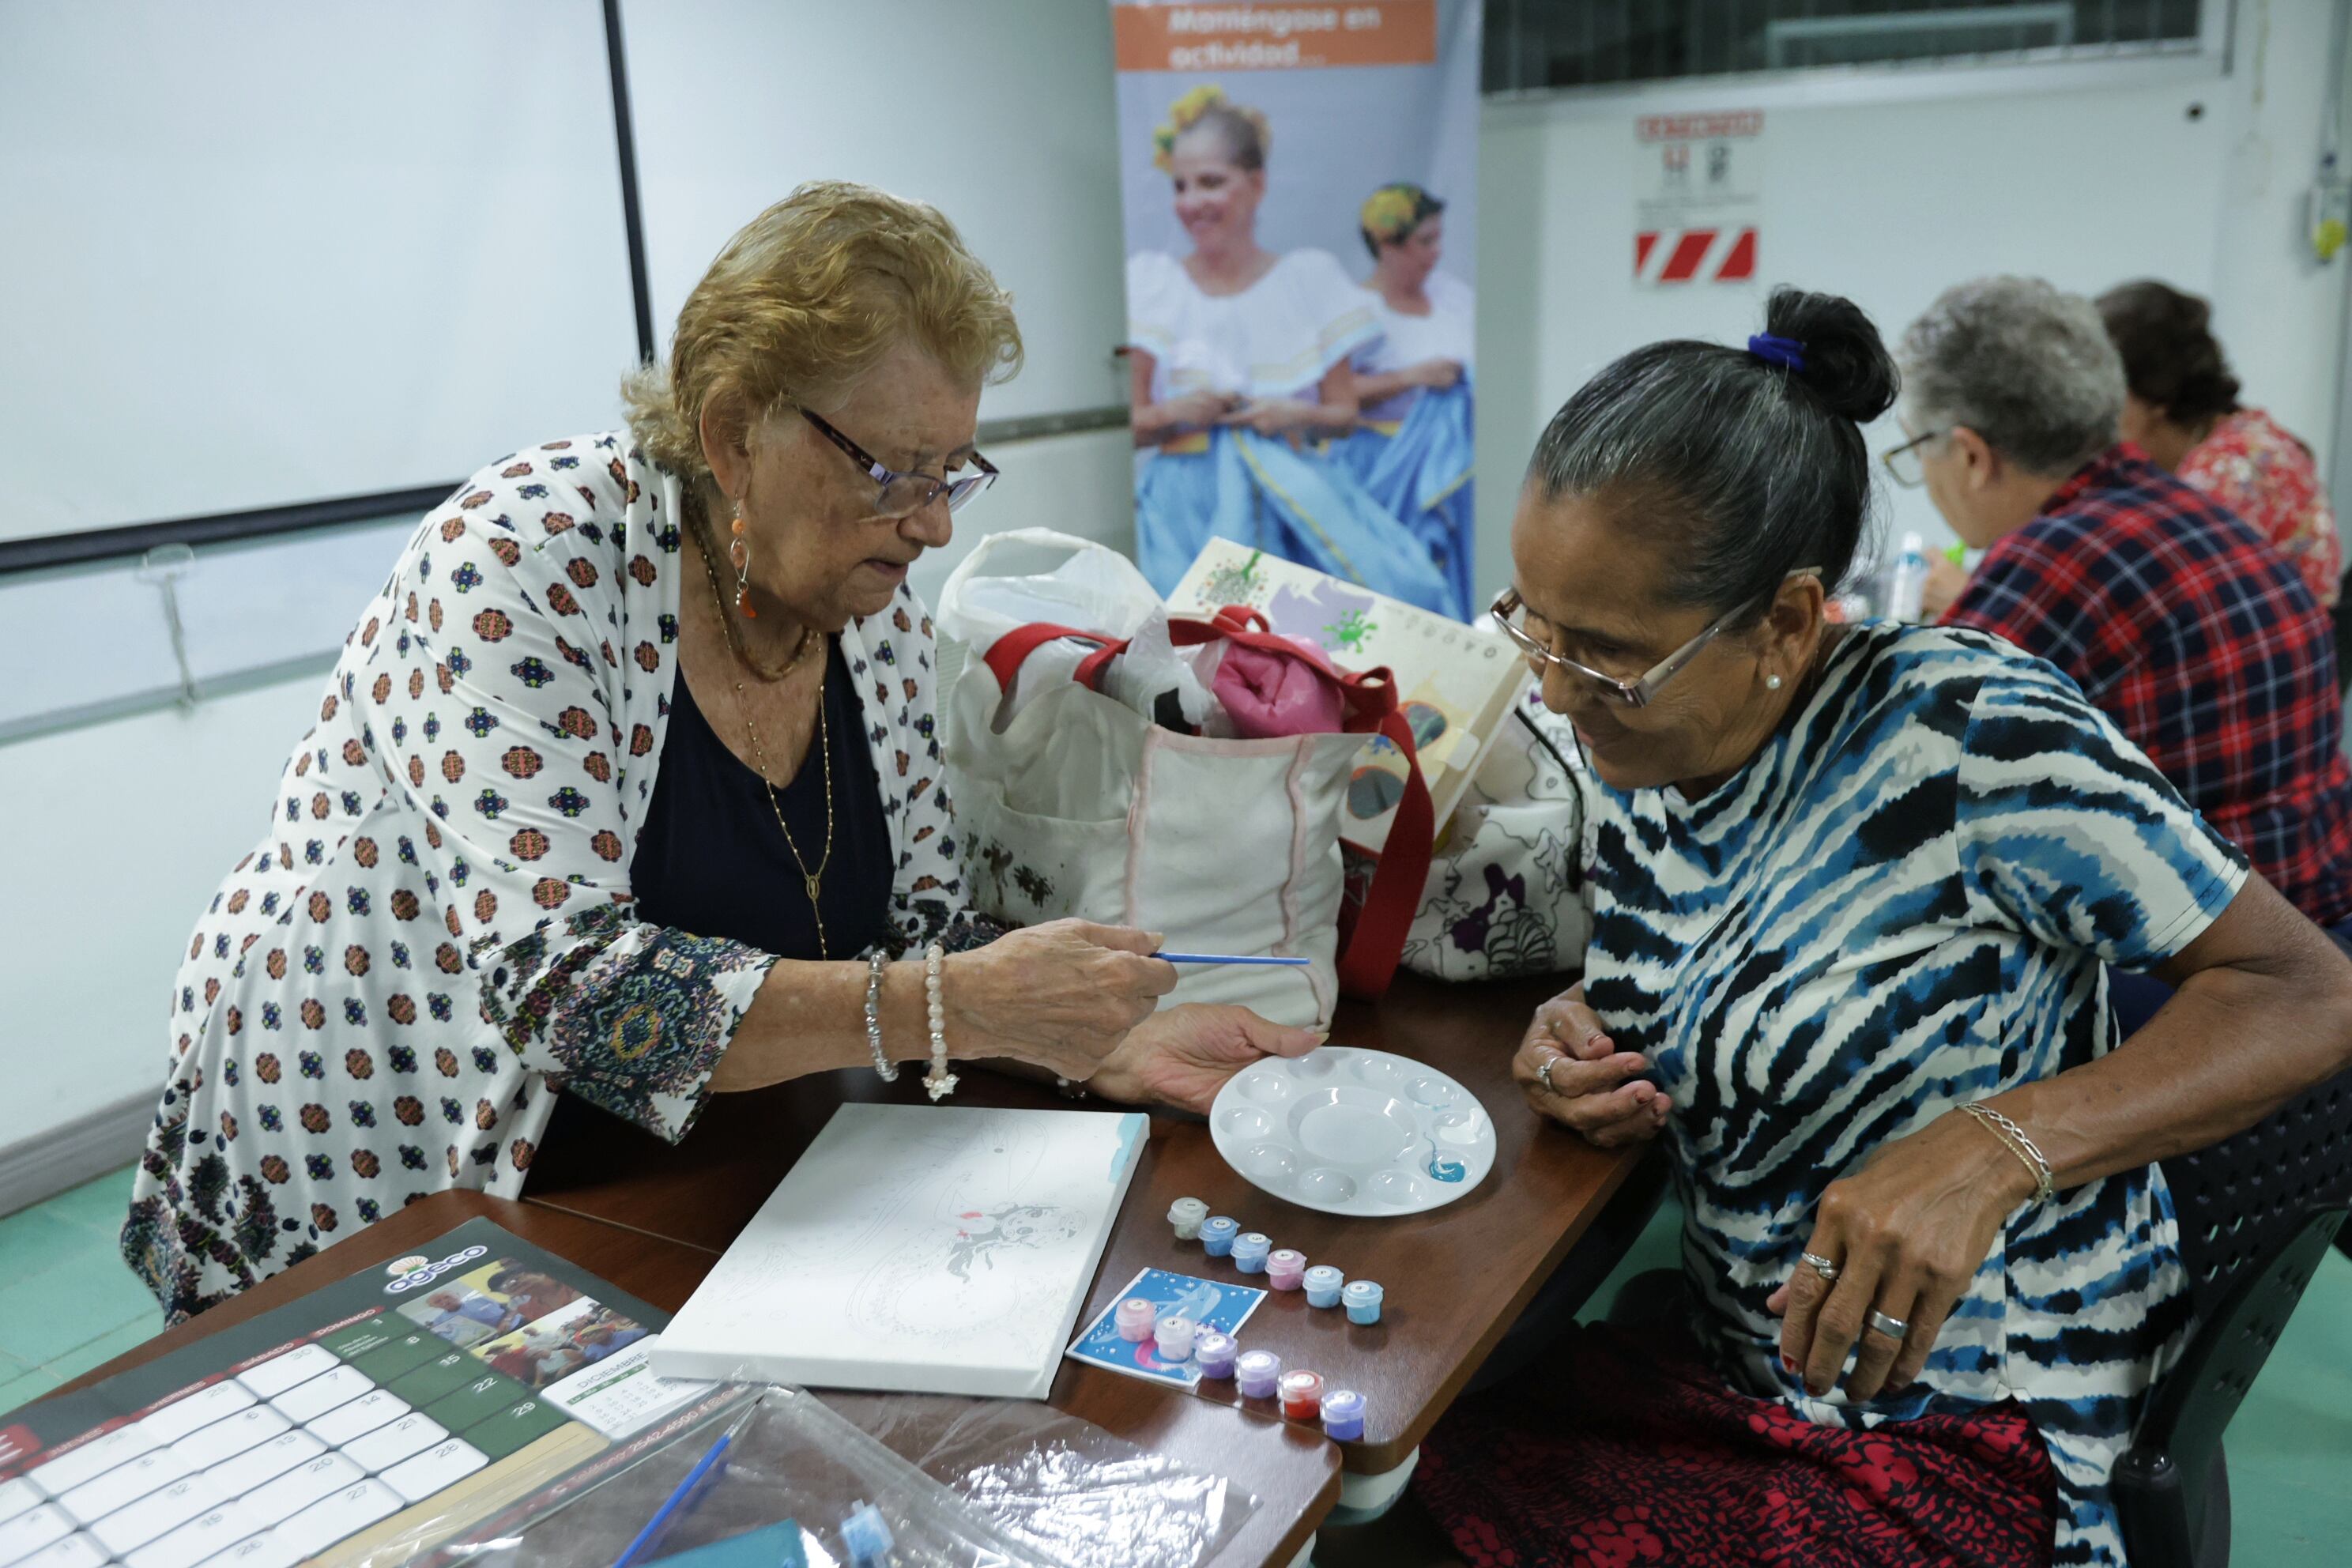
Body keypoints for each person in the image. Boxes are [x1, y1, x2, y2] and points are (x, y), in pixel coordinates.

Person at [124, 183, 1320, 1322]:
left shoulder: (871, 609)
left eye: (953, 471)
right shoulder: (524, 560)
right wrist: (958, 1005)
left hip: (655, 1174)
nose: (933, 522)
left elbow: (921, 928)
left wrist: (1095, 1037)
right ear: (736, 433)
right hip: (380, 1159)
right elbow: (569, 990)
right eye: (895, 471)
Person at [1407, 288, 2352, 1568]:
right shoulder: (1647, 755)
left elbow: (2309, 991)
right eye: (1535, 625)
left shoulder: (1967, 736)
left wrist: (1993, 1146)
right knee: (1381, 1466)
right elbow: (1730, 965)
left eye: (1611, 657)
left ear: (1787, 621)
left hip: (1978, 1422)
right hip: (1746, 1362)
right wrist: (1589, 1038)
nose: (1560, 694)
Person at [1890, 276, 2352, 1031]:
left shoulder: (2052, 562)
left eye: (1917, 452)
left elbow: (1897, 773)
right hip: (2316, 929)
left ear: (1971, 455)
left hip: (2214, 985)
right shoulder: (2196, 511)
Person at [1125, 86, 1450, 610]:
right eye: (1180, 186)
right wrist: (1175, 413)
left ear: (1256, 184)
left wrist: (1291, 414)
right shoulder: (1153, 284)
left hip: (1294, 499)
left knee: (1337, 626)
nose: (1191, 202)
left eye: (1211, 182)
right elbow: (1132, 423)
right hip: (1182, 508)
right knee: (1189, 640)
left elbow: (1343, 414)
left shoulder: (1308, 279)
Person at [2098, 278, 2341, 610]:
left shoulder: (2231, 472)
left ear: (2156, 393)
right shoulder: (2236, 434)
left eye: (2109, 393)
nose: (2096, 410)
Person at [1336, 182, 1478, 619]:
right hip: (1380, 463)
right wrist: (1411, 377)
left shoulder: (1452, 297)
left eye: (1438, 239)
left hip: (1449, 463)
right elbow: (1332, 390)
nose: (1436, 252)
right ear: (1387, 245)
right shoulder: (1355, 308)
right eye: (1425, 241)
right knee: (1390, 578)